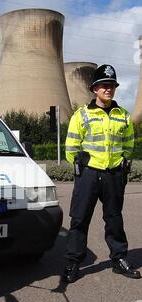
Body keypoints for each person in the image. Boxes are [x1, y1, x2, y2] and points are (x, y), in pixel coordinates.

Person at [62, 64, 141, 283]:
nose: (109, 89)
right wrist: (82, 164)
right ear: (94, 89)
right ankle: (73, 262)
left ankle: (119, 259)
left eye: (112, 86)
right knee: (79, 218)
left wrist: (122, 163)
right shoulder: (82, 115)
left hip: (113, 174)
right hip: (89, 174)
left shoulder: (123, 116)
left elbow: (128, 144)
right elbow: (71, 147)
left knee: (114, 218)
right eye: (104, 86)